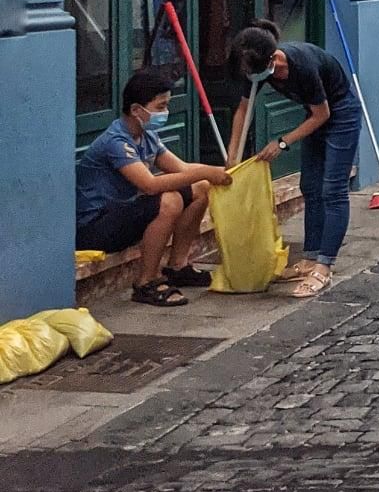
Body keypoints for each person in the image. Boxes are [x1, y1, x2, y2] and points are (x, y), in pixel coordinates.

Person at [75, 66, 231, 307]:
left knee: (199, 188)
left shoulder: (146, 136)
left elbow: (181, 169)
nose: (165, 112)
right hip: (95, 227)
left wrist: (222, 171)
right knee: (169, 200)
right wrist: (204, 172)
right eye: (160, 107)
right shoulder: (116, 142)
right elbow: (149, 185)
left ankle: (178, 266)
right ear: (137, 110)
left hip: (122, 214)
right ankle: (146, 282)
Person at [227, 20, 362, 297]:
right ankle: (310, 257)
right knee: (310, 187)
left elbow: (322, 114)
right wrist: (232, 155)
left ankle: (324, 267)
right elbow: (243, 110)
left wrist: (282, 142)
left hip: (340, 113)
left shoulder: (302, 65)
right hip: (314, 114)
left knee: (332, 189)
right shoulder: (253, 67)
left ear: (273, 59)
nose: (252, 77)